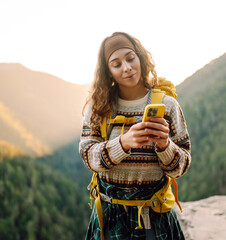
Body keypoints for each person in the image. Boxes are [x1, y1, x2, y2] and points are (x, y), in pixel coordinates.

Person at [79, 32, 191, 240]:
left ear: (140, 57)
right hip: (110, 215)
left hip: (155, 215)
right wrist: (122, 143)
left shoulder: (167, 105)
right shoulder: (99, 107)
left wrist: (165, 146)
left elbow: (180, 167)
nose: (127, 67)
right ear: (109, 72)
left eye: (130, 58)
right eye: (117, 64)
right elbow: (88, 156)